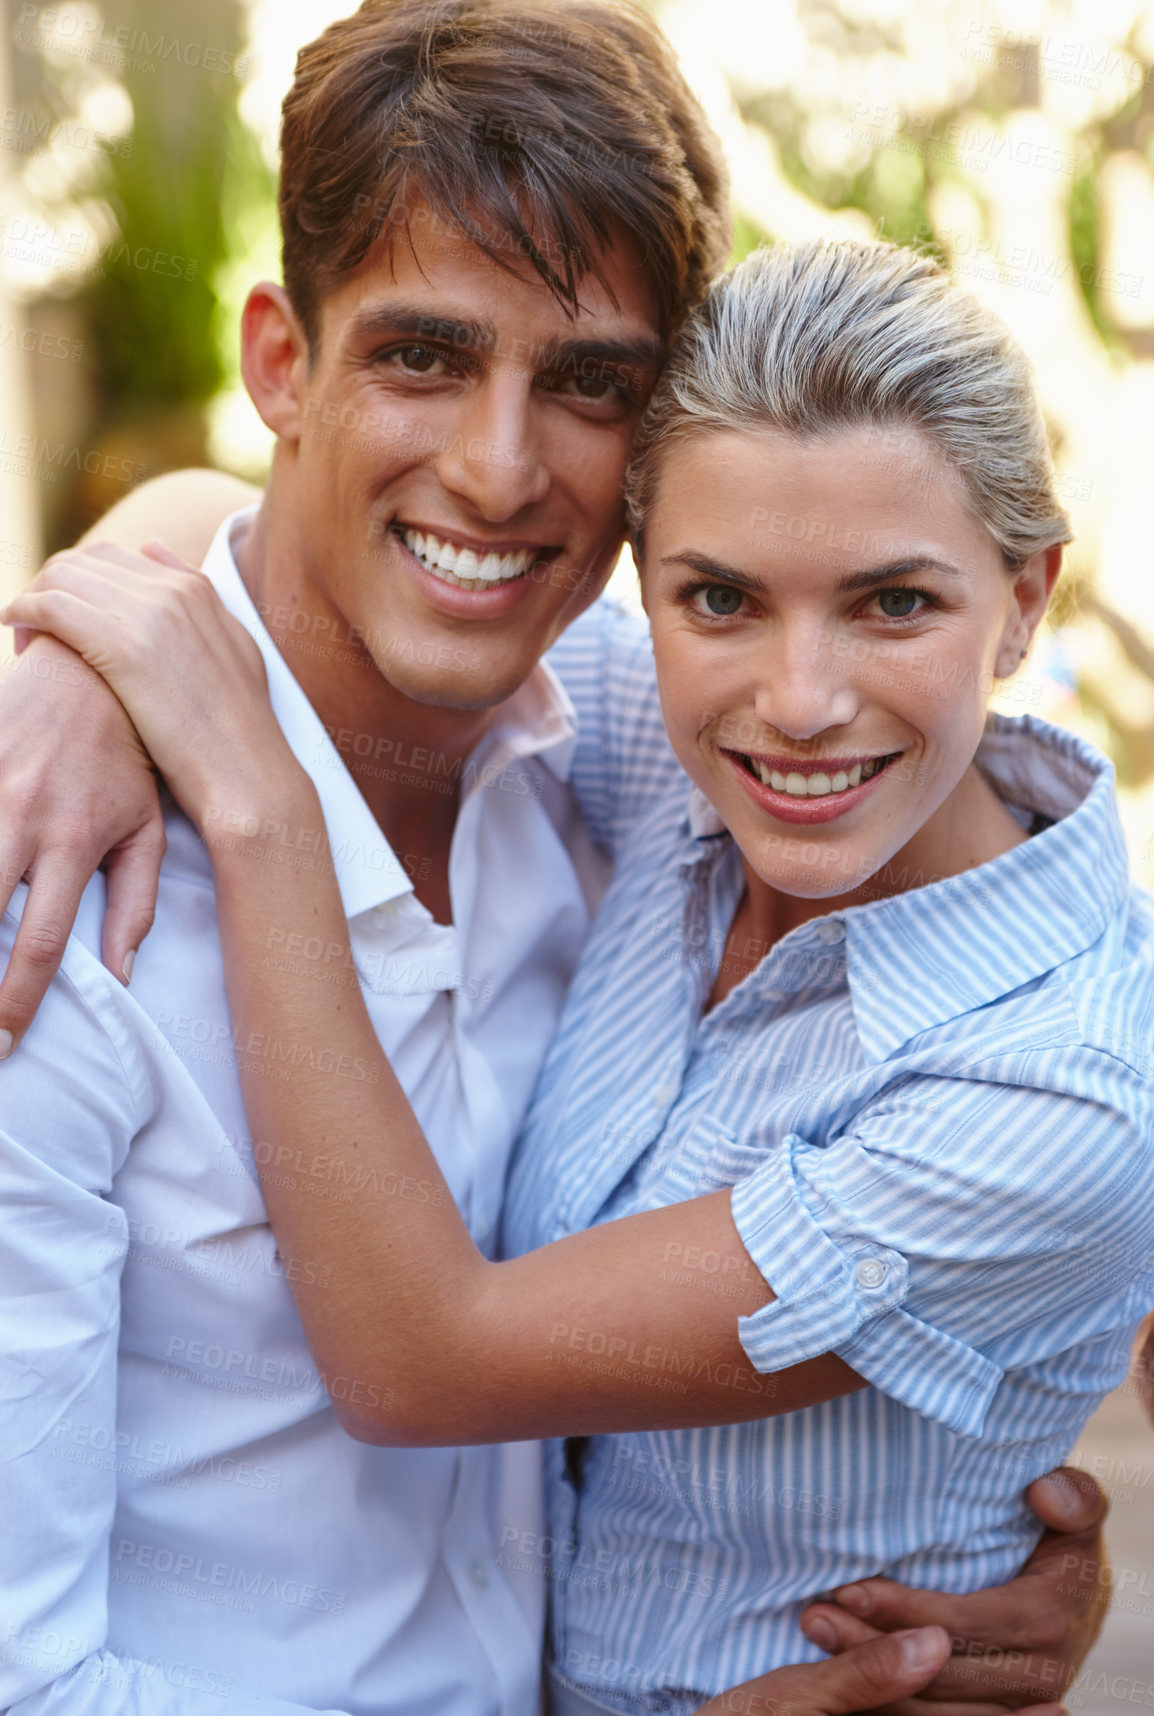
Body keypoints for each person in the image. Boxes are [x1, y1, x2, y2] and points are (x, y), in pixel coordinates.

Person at [10, 237, 1149, 1716]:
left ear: (1025, 600)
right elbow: (259, 527)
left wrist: (262, 812)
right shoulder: (666, 759)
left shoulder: (1049, 1097)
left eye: (894, 605)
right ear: (645, 581)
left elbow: (426, 1364)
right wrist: (68, 660)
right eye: (719, 598)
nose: (798, 704)